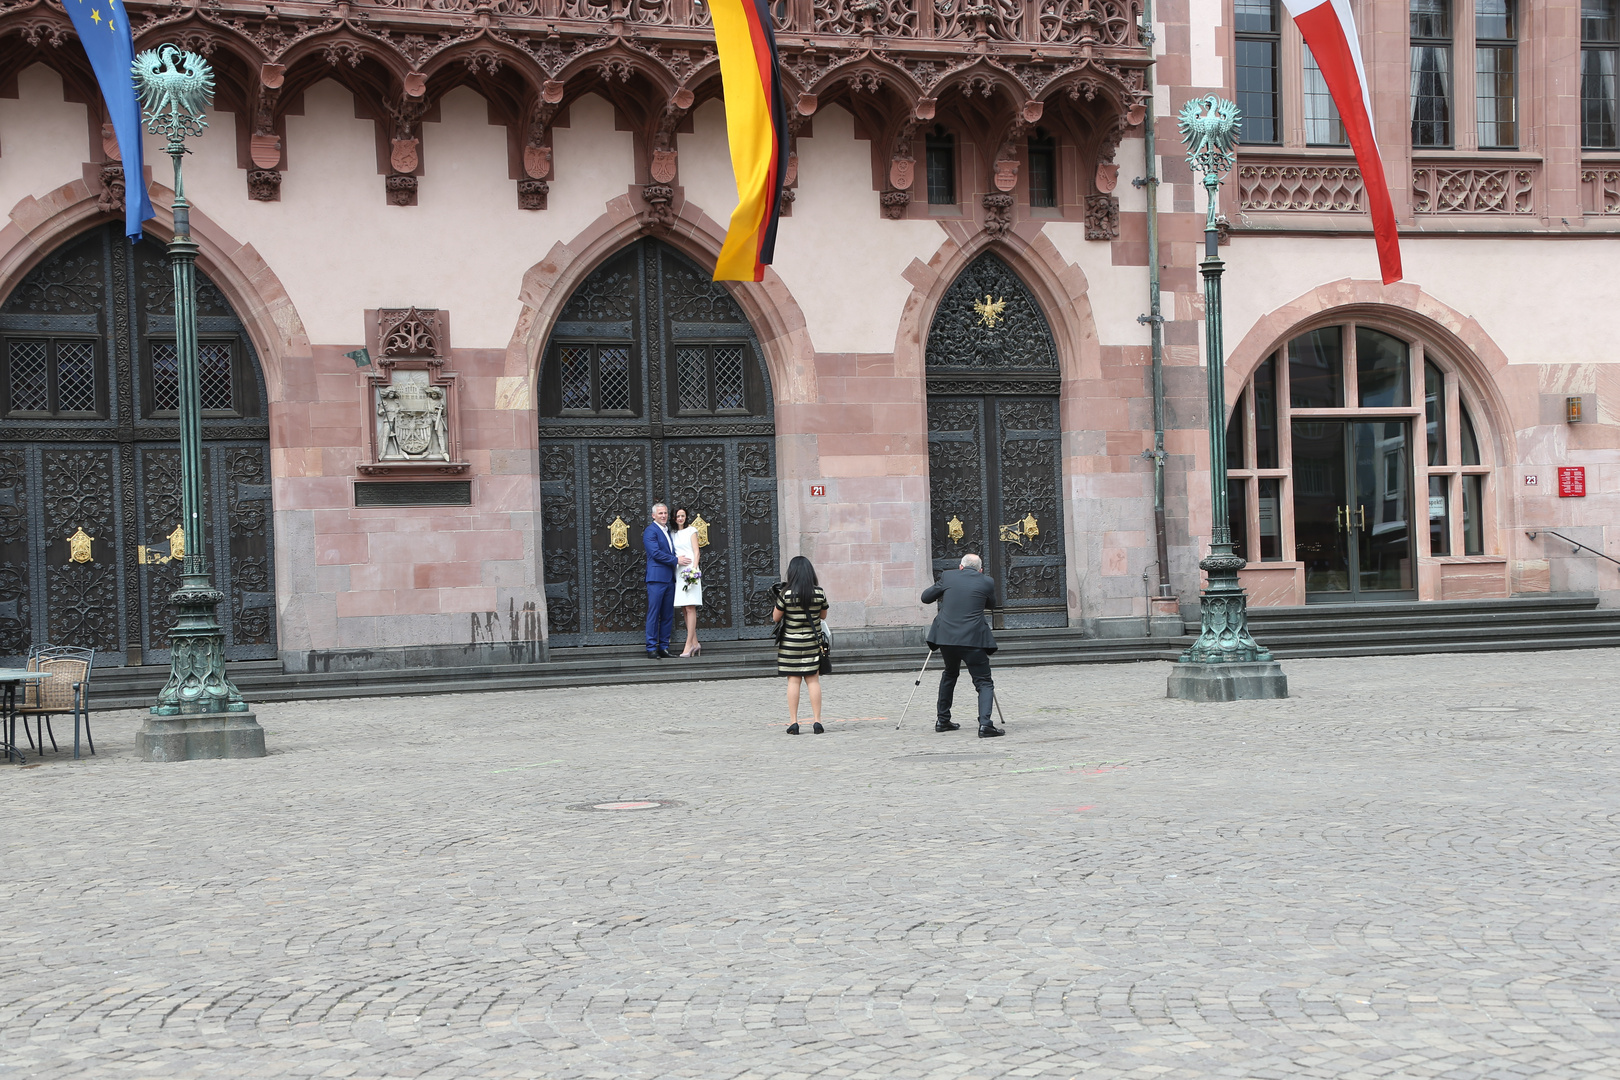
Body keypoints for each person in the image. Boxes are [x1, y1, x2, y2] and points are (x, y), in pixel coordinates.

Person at [921, 552, 1004, 738]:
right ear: (980, 570)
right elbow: (993, 605)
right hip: (973, 638)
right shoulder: (986, 581)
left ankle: (942, 720)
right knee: (983, 682)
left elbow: (926, 597)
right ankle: (985, 724)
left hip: (946, 638)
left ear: (960, 567)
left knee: (950, 674)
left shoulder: (948, 576)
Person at [773, 555, 828, 735]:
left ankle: (794, 722)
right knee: (813, 681)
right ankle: (817, 721)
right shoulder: (819, 592)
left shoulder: (785, 594)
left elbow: (775, 618)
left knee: (793, 681)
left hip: (790, 643)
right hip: (812, 641)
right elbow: (823, 616)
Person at [642, 502, 689, 658]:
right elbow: (655, 553)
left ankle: (664, 647)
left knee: (668, 614)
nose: (663, 516)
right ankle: (651, 648)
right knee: (654, 613)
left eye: (665, 513)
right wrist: (676, 560)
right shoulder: (650, 531)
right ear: (653, 515)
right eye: (660, 513)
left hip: (669, 579)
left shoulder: (668, 531)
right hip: (656, 578)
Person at [671, 507, 703, 657]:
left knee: (690, 607)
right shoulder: (672, 533)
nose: (680, 518)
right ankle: (695, 642)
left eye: (683, 516)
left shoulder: (691, 530)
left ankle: (688, 644)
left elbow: (696, 551)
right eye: (678, 516)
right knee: (684, 608)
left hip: (690, 572)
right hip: (679, 570)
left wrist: (694, 571)